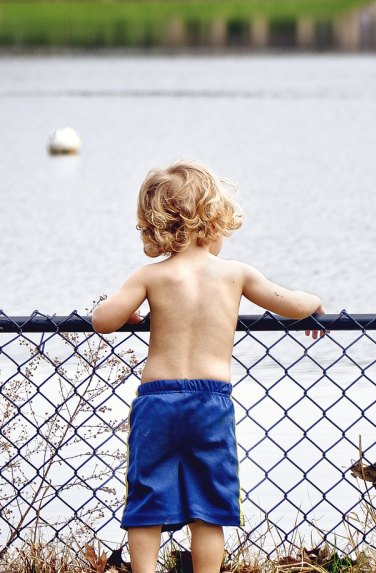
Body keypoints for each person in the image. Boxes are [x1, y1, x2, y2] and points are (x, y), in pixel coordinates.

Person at [92, 161, 326, 573]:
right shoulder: (235, 274)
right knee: (209, 503)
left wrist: (128, 313)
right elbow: (288, 303)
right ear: (213, 220)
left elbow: (102, 320)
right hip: (209, 402)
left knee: (147, 496)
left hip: (158, 400)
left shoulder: (151, 276)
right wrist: (314, 302)